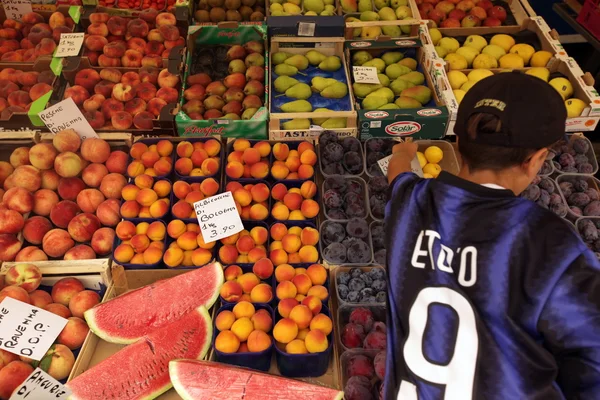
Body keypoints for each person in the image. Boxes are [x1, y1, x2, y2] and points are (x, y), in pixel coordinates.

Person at [383, 72, 600, 400]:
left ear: (457, 143)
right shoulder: (552, 246)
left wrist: (404, 151)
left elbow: (397, 174)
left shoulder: (409, 203)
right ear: (535, 160)